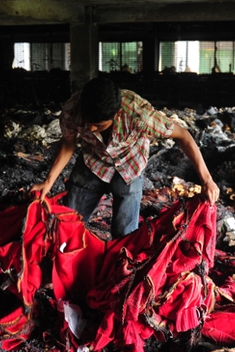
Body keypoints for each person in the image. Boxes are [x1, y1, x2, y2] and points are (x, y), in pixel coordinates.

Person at [30, 77, 219, 238]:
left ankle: (117, 274)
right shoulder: (72, 109)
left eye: (99, 125)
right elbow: (68, 142)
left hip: (129, 166)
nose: (91, 129)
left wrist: (207, 179)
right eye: (87, 124)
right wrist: (48, 181)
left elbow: (183, 135)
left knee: (125, 235)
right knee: (68, 225)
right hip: (92, 163)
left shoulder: (139, 114)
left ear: (118, 114)